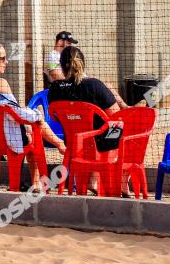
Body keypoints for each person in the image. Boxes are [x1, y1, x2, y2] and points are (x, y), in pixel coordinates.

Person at [0, 42, 66, 191]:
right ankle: (60, 146)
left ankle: (54, 152)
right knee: (35, 125)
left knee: (31, 126)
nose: (6, 62)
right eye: (2, 58)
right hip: (9, 139)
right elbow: (17, 113)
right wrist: (36, 114)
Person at [47, 45, 132, 196]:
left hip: (73, 142)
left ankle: (92, 179)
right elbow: (116, 116)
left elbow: (54, 117)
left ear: (62, 66)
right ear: (82, 63)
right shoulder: (94, 85)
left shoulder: (55, 88)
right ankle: (122, 182)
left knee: (93, 132)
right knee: (128, 129)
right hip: (101, 142)